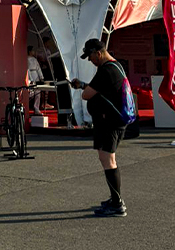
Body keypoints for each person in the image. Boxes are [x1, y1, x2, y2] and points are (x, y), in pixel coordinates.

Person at [71, 39, 128, 218]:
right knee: (108, 159)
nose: (90, 60)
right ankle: (114, 198)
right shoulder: (115, 66)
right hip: (114, 120)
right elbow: (100, 89)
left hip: (109, 122)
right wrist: (83, 84)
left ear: (99, 52)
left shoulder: (105, 70)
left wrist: (83, 88)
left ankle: (117, 204)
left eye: (90, 56)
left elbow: (87, 95)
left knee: (108, 160)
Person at [27, 46, 44, 115]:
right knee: (31, 93)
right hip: (30, 75)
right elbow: (27, 69)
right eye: (32, 51)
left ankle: (36, 108)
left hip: (36, 75)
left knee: (38, 93)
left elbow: (38, 68)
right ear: (29, 52)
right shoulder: (26, 59)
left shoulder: (34, 59)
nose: (34, 52)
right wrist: (30, 79)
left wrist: (41, 77)